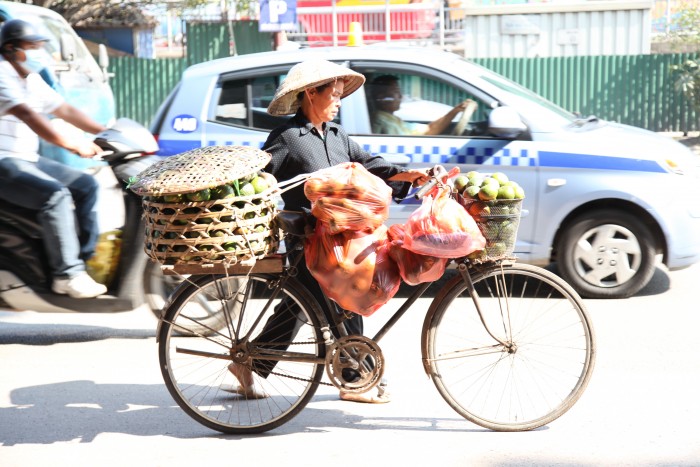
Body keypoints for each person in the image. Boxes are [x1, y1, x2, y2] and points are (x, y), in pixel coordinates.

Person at [227, 59, 432, 403]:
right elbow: (261, 180)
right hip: (307, 240)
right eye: (332, 95)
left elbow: (372, 167)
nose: (338, 102)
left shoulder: (338, 137)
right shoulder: (289, 138)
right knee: (349, 291)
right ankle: (354, 378)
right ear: (310, 93)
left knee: (300, 306)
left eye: (340, 96)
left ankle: (253, 362)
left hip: (342, 239)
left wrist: (409, 175)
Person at [0, 19, 108, 299]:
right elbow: (29, 116)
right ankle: (67, 275)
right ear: (11, 49)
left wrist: (107, 131)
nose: (38, 51)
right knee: (56, 196)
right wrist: (73, 144)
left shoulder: (30, 79)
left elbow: (65, 109)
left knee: (86, 185)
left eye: (39, 45)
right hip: (4, 161)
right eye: (32, 46)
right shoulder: (1, 74)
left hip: (26, 158)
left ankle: (82, 263)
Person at [369, 74, 473, 136]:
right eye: (396, 92)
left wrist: (455, 111)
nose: (400, 96)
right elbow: (430, 131)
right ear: (381, 98)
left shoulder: (392, 119)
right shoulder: (381, 121)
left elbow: (428, 128)